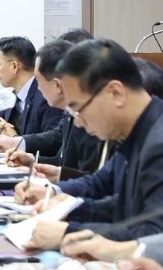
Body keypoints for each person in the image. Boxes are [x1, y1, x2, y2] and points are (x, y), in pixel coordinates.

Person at [23, 39, 163, 250]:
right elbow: (118, 200)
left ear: (115, 93)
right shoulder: (135, 132)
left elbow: (153, 237)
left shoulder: (158, 143)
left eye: (78, 109)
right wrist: (67, 207)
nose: (78, 122)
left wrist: (69, 233)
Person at [0, 39, 100, 180]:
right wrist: (32, 161)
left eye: (37, 79)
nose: (37, 87)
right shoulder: (72, 113)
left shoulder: (88, 119)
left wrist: (15, 140)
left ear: (56, 85)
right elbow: (63, 161)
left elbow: (93, 182)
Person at [0, 36, 64, 137]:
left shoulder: (46, 96)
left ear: (14, 66)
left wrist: (15, 140)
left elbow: (53, 139)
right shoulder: (15, 96)